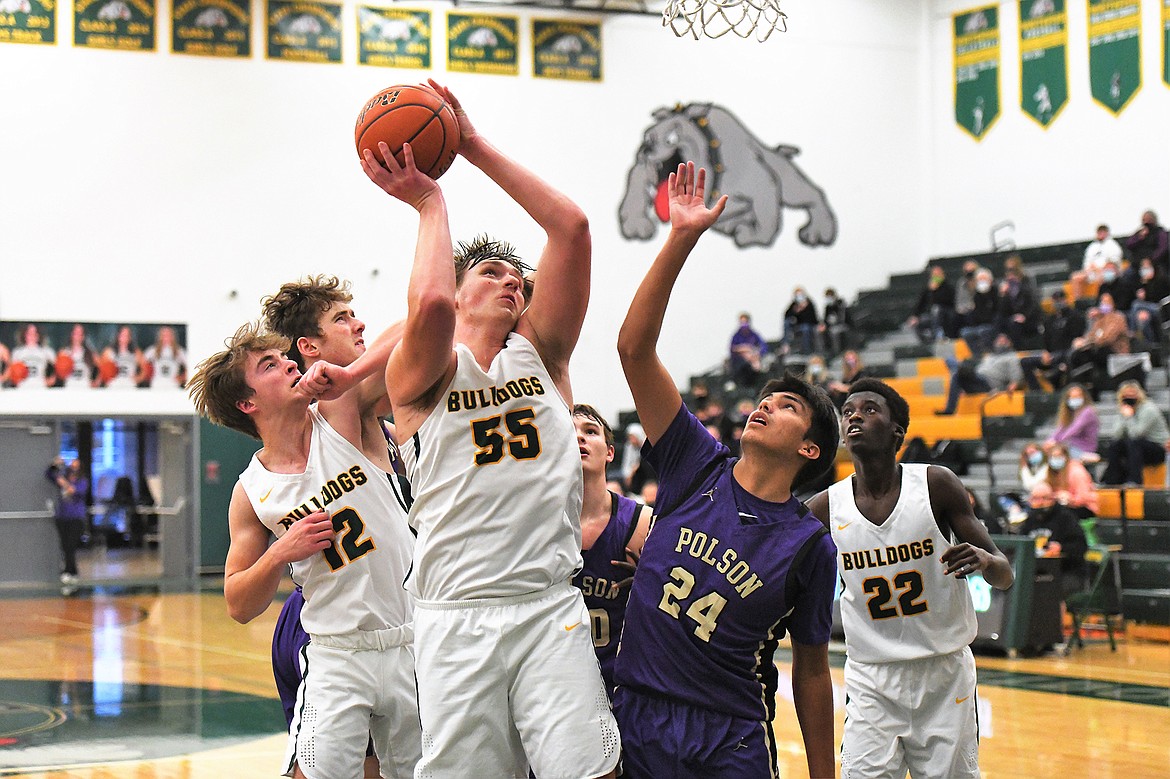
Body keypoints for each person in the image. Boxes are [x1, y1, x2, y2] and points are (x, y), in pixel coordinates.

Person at [371, 80, 619, 779]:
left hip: (548, 606)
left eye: (518, 275)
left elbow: (570, 227)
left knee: (590, 771)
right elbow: (425, 301)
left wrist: (472, 145)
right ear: (461, 287)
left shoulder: (542, 354)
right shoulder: (422, 373)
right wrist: (430, 200)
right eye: (491, 271)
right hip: (455, 613)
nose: (512, 280)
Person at [614, 161, 838, 779]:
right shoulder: (695, 463)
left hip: (730, 736)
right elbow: (633, 348)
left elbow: (814, 671)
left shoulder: (808, 546)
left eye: (787, 406)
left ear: (811, 450)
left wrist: (825, 774)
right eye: (766, 397)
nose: (765, 404)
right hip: (637, 716)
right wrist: (681, 237)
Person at [807, 378, 1014, 779]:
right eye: (848, 412)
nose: (854, 418)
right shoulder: (825, 507)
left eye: (869, 410)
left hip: (944, 674)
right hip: (871, 676)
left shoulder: (936, 485)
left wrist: (986, 561)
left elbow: (1005, 574)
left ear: (896, 431)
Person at [261, 274, 409, 779]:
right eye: (343, 318)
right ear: (309, 346)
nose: (358, 322)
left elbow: (420, 328)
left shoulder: (354, 399)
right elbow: (422, 319)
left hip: (391, 616)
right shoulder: (339, 407)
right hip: (330, 625)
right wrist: (278, 554)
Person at [570, 404, 653, 699]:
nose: (579, 438)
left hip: (621, 685)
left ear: (609, 452)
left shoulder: (641, 523)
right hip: (555, 684)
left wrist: (650, 588)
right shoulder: (536, 520)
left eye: (590, 432)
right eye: (570, 431)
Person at [1100, 380, 1170, 486]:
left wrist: (1129, 417)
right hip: (1137, 447)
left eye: (1132, 394)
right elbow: (1117, 434)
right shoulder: (1123, 409)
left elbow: (1136, 433)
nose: (1129, 397)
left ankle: (1134, 481)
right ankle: (1111, 480)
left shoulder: (1148, 409)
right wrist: (1124, 416)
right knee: (1115, 445)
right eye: (1126, 394)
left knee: (1135, 443)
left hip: (1158, 448)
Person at [935, 332, 1022, 416]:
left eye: (1003, 341)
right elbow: (979, 370)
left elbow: (1016, 376)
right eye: (999, 340)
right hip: (977, 381)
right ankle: (949, 410)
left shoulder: (1012, 357)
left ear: (1009, 343)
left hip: (989, 385)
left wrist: (1012, 385)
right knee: (955, 372)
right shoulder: (990, 356)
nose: (1000, 342)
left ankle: (960, 367)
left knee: (958, 368)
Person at [1018, 290, 1085, 391]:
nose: (1058, 302)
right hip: (1052, 355)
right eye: (1055, 300)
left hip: (1067, 353)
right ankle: (1037, 391)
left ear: (1066, 300)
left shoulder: (1075, 316)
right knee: (1025, 361)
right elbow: (1045, 339)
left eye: (1060, 299)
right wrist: (1045, 352)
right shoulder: (1050, 319)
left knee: (1065, 358)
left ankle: (1058, 378)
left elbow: (1078, 338)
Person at [1068, 293, 1130, 397]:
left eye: (1107, 302)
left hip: (1115, 351)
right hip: (1098, 351)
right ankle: (1082, 385)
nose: (1104, 305)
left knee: (1095, 352)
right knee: (1078, 355)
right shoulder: (1099, 320)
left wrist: (1088, 342)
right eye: (1102, 302)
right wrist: (1082, 341)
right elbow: (1090, 335)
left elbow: (1108, 338)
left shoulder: (1118, 318)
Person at [46, 457, 89, 586]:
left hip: (76, 518)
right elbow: (49, 475)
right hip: (62, 517)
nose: (73, 468)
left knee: (70, 545)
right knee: (65, 546)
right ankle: (73, 572)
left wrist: (64, 483)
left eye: (76, 466)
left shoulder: (82, 481)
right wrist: (54, 465)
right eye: (72, 466)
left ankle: (67, 571)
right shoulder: (64, 477)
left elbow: (74, 491)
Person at [1045, 383, 1099, 462]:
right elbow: (1060, 429)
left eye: (1077, 396)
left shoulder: (1088, 411)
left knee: (1057, 453)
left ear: (1084, 397)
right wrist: (1050, 440)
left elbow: (1074, 429)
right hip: (1071, 446)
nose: (1075, 399)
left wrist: (1057, 442)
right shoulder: (1069, 413)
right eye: (1072, 397)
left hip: (1085, 449)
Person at [1072, 224, 1124, 299]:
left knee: (1103, 277)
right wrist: (1089, 269)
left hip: (1107, 271)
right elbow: (1087, 261)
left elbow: (1114, 262)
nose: (1100, 234)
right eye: (1099, 232)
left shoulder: (1113, 245)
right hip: (1092, 271)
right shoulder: (1092, 246)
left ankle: (1100, 301)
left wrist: (1100, 269)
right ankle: (1078, 302)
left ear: (1107, 233)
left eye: (1103, 232)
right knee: (1076, 277)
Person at [908, 265, 957, 343]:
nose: (936, 276)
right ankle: (926, 342)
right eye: (934, 275)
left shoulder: (948, 288)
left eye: (938, 274)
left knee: (936, 309)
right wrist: (915, 316)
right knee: (917, 323)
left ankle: (937, 336)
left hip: (946, 315)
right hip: (931, 316)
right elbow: (921, 303)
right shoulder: (927, 289)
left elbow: (947, 301)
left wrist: (935, 291)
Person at [959, 267, 999, 357]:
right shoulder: (977, 295)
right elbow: (976, 313)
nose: (982, 282)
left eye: (984, 279)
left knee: (983, 330)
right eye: (979, 280)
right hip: (980, 324)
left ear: (990, 280)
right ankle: (977, 356)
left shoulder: (996, 292)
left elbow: (997, 312)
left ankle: (990, 354)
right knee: (966, 332)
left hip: (993, 324)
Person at [1129, 258, 1169, 344]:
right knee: (1143, 318)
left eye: (1147, 267)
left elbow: (1158, 297)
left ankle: (1132, 331)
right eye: (1143, 267)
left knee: (1135, 305)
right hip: (1150, 309)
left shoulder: (1161, 279)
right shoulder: (1143, 282)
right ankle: (1151, 345)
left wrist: (1149, 283)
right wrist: (1144, 284)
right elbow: (1145, 300)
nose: (1145, 270)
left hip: (1162, 307)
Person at [728, 312, 768, 389]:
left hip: (754, 358)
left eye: (745, 322)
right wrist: (742, 350)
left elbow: (763, 347)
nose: (744, 325)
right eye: (742, 323)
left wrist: (757, 354)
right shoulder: (736, 336)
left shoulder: (754, 334)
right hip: (740, 361)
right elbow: (732, 349)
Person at [9, 323, 56, 389]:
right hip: (22, 387)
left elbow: (56, 369)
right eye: (29, 333)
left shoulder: (46, 351)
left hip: (40, 387)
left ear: (38, 335)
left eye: (34, 333)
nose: (32, 336)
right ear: (24, 335)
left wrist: (50, 381)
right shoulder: (17, 352)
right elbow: (11, 373)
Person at [58, 324, 99, 389]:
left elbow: (101, 367)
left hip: (85, 387)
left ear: (83, 336)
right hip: (69, 387)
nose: (77, 336)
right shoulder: (64, 352)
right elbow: (58, 373)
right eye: (75, 333)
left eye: (80, 333)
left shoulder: (90, 353)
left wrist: (97, 382)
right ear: (71, 335)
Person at [782, 285, 819, 355]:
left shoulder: (809, 303)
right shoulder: (794, 304)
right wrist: (795, 311)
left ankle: (806, 350)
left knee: (805, 328)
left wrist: (803, 310)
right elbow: (786, 315)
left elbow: (812, 319)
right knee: (787, 323)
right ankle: (785, 344)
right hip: (798, 325)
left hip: (808, 325)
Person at [820, 286, 854, 355]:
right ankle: (823, 351)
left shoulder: (841, 305)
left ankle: (836, 351)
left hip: (843, 325)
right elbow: (825, 319)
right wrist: (823, 325)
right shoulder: (827, 307)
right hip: (831, 326)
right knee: (818, 330)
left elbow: (843, 319)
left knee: (834, 331)